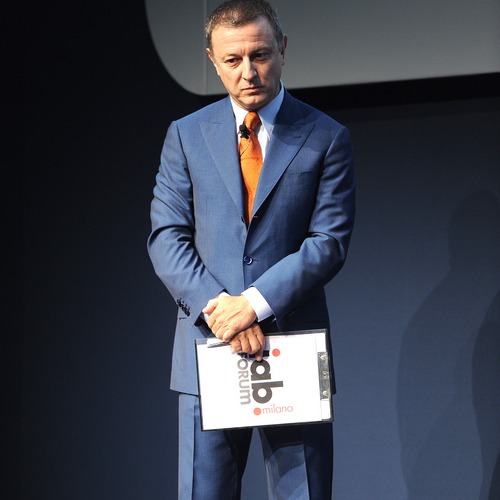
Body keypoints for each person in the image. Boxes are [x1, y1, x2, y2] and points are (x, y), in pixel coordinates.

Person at [147, 0, 355, 498]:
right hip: (209, 346)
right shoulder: (186, 135)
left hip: (292, 347)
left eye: (259, 55)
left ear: (281, 48)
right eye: (233, 60)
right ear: (212, 61)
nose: (248, 72)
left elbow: (328, 242)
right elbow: (166, 236)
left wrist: (254, 305)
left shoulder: (326, 136)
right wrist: (223, 311)